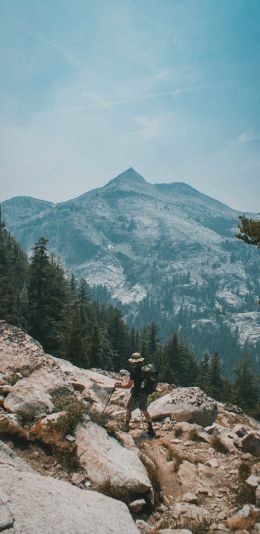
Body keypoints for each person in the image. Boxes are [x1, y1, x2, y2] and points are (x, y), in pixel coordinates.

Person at [115, 352, 156, 436]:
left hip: (137, 394)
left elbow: (128, 385)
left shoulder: (134, 371)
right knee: (144, 410)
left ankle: (126, 426)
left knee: (129, 409)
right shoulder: (146, 369)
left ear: (133, 362)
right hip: (145, 393)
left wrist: (119, 386)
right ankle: (151, 429)